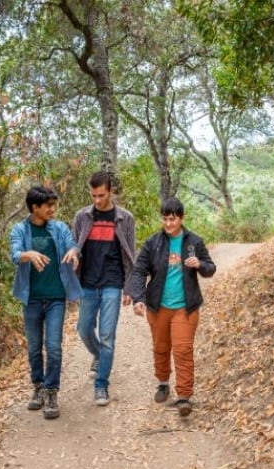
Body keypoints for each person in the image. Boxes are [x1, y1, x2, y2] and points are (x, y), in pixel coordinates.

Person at [130, 197, 216, 417]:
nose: (168, 224)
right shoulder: (153, 243)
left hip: (185, 307)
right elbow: (139, 271)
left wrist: (200, 264)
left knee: (183, 350)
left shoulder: (193, 242)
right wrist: (138, 297)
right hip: (158, 306)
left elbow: (210, 268)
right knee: (161, 346)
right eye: (165, 219)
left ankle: (184, 396)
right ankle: (162, 382)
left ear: (181, 218)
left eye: (173, 219)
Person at [10, 185, 82, 420]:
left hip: (56, 298)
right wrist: (28, 255)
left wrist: (73, 252)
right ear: (35, 207)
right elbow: (15, 254)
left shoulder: (59, 227)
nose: (53, 209)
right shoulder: (20, 230)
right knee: (33, 347)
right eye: (48, 205)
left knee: (53, 346)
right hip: (31, 298)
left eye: (54, 205)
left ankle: (52, 391)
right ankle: (38, 387)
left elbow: (73, 244)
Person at [72, 171, 136, 406]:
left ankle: (101, 386)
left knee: (108, 336)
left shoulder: (125, 218)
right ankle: (98, 355)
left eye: (101, 195)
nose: (97, 200)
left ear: (110, 192)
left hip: (112, 283)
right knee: (84, 329)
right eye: (93, 195)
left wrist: (129, 288)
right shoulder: (82, 216)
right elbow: (73, 247)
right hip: (87, 283)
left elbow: (130, 255)